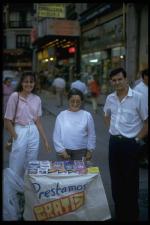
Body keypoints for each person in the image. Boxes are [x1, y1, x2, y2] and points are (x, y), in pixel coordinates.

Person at [103, 67, 148, 221]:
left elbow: (147, 122)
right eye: (114, 80)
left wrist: (137, 139)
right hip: (114, 143)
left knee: (130, 181)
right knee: (116, 181)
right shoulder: (110, 98)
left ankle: (132, 215)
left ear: (126, 79)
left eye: (119, 79)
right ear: (111, 82)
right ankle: (120, 213)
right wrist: (112, 129)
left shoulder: (138, 97)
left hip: (131, 144)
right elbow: (106, 115)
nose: (117, 82)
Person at [4, 72, 51, 178]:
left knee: (31, 162)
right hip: (19, 129)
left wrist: (45, 140)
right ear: (21, 83)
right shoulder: (14, 96)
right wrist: (15, 136)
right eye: (26, 81)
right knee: (16, 161)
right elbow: (7, 120)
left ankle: (26, 188)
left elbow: (38, 121)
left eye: (31, 82)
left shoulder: (37, 99)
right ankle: (14, 190)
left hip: (33, 131)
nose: (28, 84)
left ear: (34, 84)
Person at [53, 88, 96, 160]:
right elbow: (56, 136)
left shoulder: (87, 115)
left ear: (81, 102)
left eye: (78, 101)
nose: (75, 104)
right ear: (68, 100)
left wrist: (90, 150)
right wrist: (62, 150)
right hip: (64, 151)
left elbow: (92, 135)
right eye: (72, 101)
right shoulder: (61, 115)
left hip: (82, 151)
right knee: (64, 171)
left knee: (80, 171)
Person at [134, 68, 148, 168]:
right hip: (143, 119)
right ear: (144, 77)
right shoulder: (139, 89)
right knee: (143, 140)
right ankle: (140, 158)